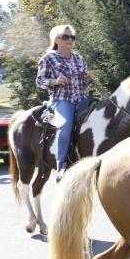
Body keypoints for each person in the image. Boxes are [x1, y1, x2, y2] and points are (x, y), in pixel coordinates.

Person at [36, 24, 94, 181]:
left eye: (72, 37)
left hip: (82, 98)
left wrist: (88, 78)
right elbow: (40, 81)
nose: (70, 40)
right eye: (66, 37)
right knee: (67, 123)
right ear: (56, 40)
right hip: (62, 100)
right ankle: (61, 166)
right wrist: (55, 81)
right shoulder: (48, 58)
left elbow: (84, 81)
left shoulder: (79, 58)